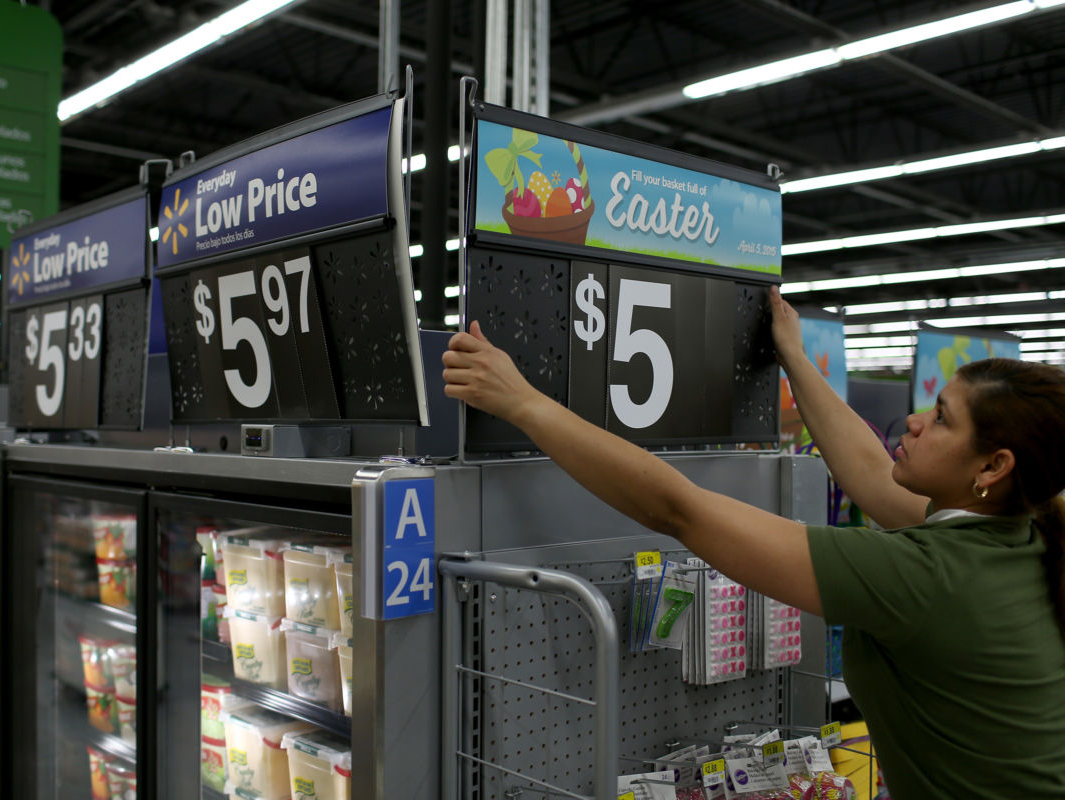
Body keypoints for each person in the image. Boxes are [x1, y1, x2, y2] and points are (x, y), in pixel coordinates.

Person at [441, 285, 1065, 799]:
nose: (913, 420)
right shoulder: (1019, 530)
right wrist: (793, 354)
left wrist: (522, 401)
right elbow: (871, 474)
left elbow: (676, 509)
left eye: (943, 418)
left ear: (992, 468)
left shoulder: (927, 575)